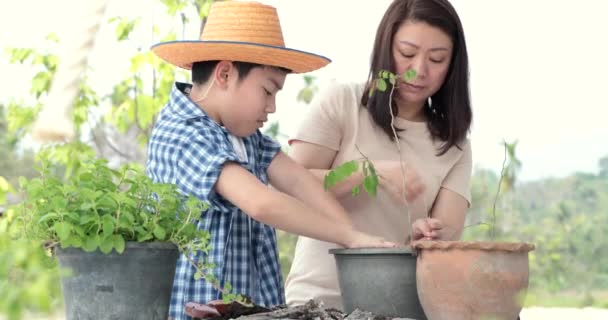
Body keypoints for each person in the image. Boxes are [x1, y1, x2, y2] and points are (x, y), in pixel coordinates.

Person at [146, 2, 397, 320]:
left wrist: (351, 235)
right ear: (224, 74)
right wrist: (347, 237)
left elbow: (297, 179)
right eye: (267, 91)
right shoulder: (184, 132)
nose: (273, 107)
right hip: (193, 309)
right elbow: (260, 203)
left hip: (245, 307)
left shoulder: (242, 135)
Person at [284, 0, 473, 310]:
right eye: (407, 54)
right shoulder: (342, 102)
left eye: (437, 59)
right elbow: (288, 189)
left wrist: (426, 237)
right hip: (317, 303)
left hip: (400, 307)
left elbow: (445, 244)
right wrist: (369, 172)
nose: (419, 70)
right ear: (386, 48)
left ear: (453, 65)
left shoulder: (454, 145)